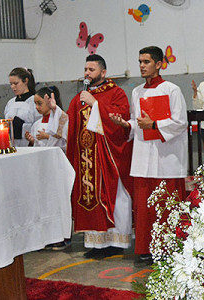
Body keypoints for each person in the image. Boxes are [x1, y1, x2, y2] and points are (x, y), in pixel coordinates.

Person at [110, 46, 188, 265]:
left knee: (166, 205)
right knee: (145, 208)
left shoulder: (171, 89)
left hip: (167, 157)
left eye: (146, 62)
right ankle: (145, 248)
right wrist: (125, 124)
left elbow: (181, 122)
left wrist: (154, 124)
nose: (142, 66)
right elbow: (137, 123)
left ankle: (170, 247)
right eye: (140, 62)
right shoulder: (137, 92)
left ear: (159, 64)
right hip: (144, 157)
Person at [66, 54, 134, 259]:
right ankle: (96, 243)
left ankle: (116, 242)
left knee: (116, 197)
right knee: (91, 198)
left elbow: (122, 120)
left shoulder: (116, 92)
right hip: (88, 159)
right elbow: (70, 126)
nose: (87, 73)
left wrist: (96, 104)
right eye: (86, 69)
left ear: (103, 72)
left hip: (109, 156)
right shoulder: (79, 98)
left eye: (91, 70)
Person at [5, 67, 41, 147]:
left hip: (29, 145)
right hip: (12, 145)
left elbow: (39, 124)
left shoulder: (34, 101)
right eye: (11, 84)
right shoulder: (10, 103)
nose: (13, 87)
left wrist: (19, 123)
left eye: (16, 83)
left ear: (26, 81)